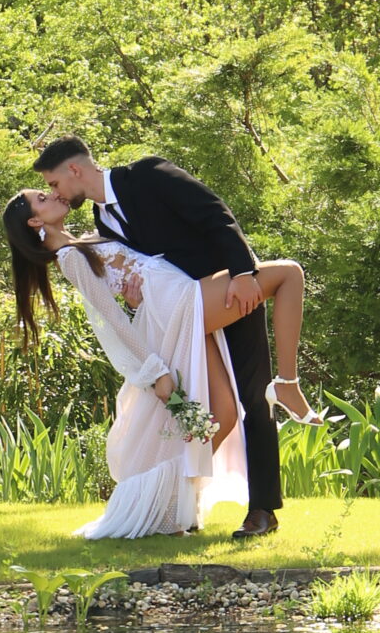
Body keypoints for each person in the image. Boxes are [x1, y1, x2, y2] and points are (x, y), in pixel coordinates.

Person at [30, 139, 302, 538]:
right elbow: (124, 291)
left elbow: (215, 215)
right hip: (180, 310)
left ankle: (260, 510)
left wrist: (243, 274)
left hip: (225, 289)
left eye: (52, 183)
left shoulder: (148, 175)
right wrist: (139, 310)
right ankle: (173, 503)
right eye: (46, 191)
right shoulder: (99, 228)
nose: (54, 192)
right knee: (222, 411)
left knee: (250, 399)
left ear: (74, 170)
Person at [1, 192, 248, 539]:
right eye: (42, 198)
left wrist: (135, 300)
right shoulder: (70, 257)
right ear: (35, 221)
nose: (54, 194)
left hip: (167, 310)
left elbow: (129, 288)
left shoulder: (84, 242)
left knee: (223, 412)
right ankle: (171, 506)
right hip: (163, 332)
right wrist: (154, 372)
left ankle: (178, 502)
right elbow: (111, 318)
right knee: (214, 414)